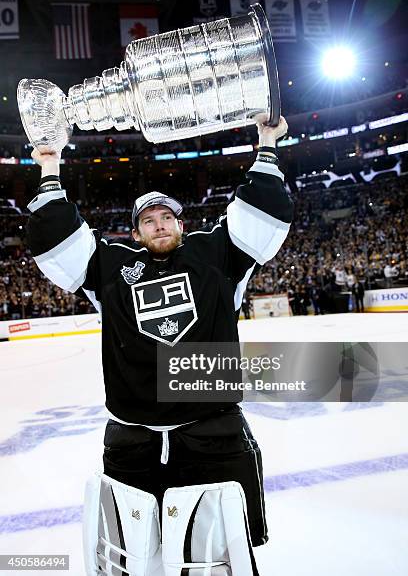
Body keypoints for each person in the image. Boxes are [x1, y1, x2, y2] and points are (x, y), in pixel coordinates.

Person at [26, 115, 293, 575]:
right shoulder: (110, 269)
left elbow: (261, 217)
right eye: (148, 220)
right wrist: (50, 168)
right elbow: (59, 244)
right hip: (135, 441)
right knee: (136, 555)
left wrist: (266, 143)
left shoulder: (216, 256)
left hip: (211, 433)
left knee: (219, 554)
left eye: (167, 216)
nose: (159, 224)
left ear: (180, 223)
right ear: (136, 232)